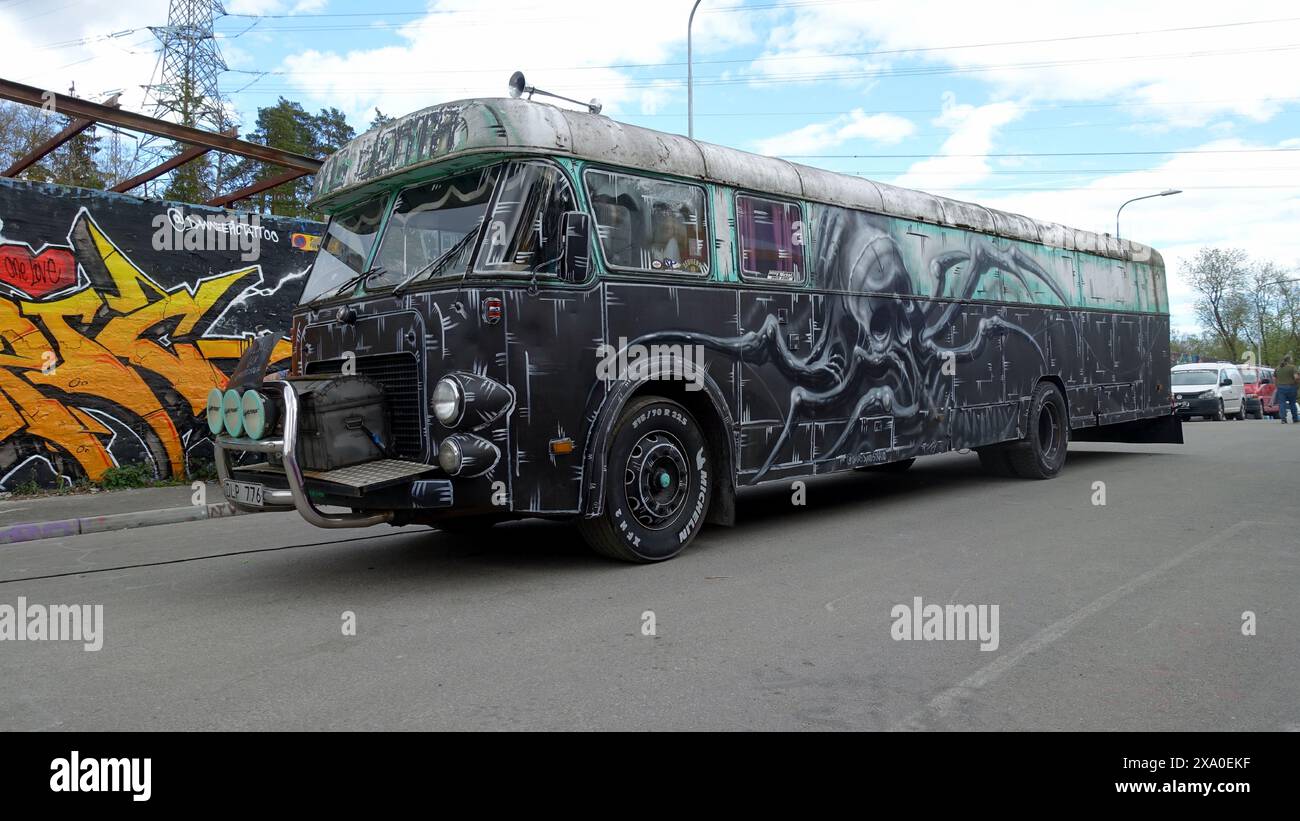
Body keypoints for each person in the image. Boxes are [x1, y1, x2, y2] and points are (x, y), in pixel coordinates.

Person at [1276, 354, 1298, 424]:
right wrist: (1297, 383)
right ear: (1289, 360)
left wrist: (1277, 385)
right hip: (1291, 387)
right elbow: (1296, 377)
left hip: (1280, 387)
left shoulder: (1278, 368)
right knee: (1292, 403)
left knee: (1282, 404)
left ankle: (1283, 419)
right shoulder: (1292, 367)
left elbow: (1275, 378)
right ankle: (1295, 418)